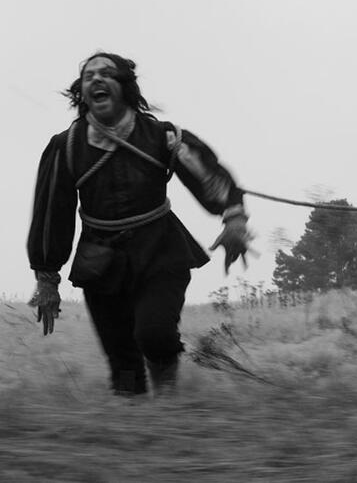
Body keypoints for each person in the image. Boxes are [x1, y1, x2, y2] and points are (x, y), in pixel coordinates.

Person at [27, 52, 251, 396]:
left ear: (124, 87)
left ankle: (167, 411)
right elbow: (50, 215)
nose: (96, 80)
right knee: (122, 360)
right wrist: (47, 277)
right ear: (82, 92)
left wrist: (234, 217)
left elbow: (212, 181)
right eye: (89, 76)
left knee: (155, 335)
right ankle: (135, 426)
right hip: (99, 261)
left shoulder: (163, 137)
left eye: (106, 74)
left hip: (160, 251)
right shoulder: (66, 146)